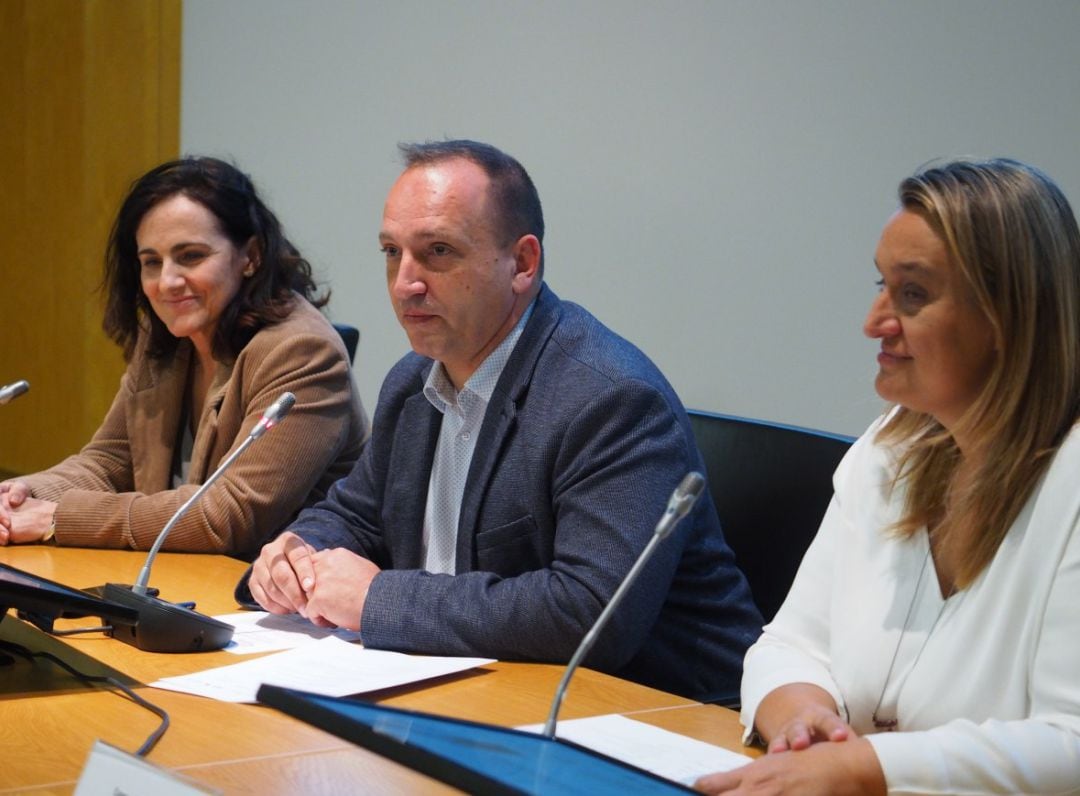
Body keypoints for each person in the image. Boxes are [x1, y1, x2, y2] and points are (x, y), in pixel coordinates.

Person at [246, 139, 762, 701]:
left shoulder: (610, 400)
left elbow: (589, 613)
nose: (405, 283)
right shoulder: (413, 382)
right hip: (474, 689)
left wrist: (378, 601)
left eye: (438, 251)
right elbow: (358, 516)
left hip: (655, 718)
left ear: (522, 263)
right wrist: (297, 552)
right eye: (392, 252)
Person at [696, 159, 1080, 794]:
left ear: (1009, 319)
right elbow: (787, 643)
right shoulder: (891, 448)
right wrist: (802, 721)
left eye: (913, 294)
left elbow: (1070, 740)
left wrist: (863, 766)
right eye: (881, 286)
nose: (874, 322)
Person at [0, 157, 367, 555]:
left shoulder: (302, 353)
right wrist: (21, 495)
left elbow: (227, 516)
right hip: (179, 579)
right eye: (151, 262)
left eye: (190, 256)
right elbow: (110, 461)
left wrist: (57, 517)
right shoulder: (169, 336)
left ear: (252, 256)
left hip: (264, 599)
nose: (167, 282)